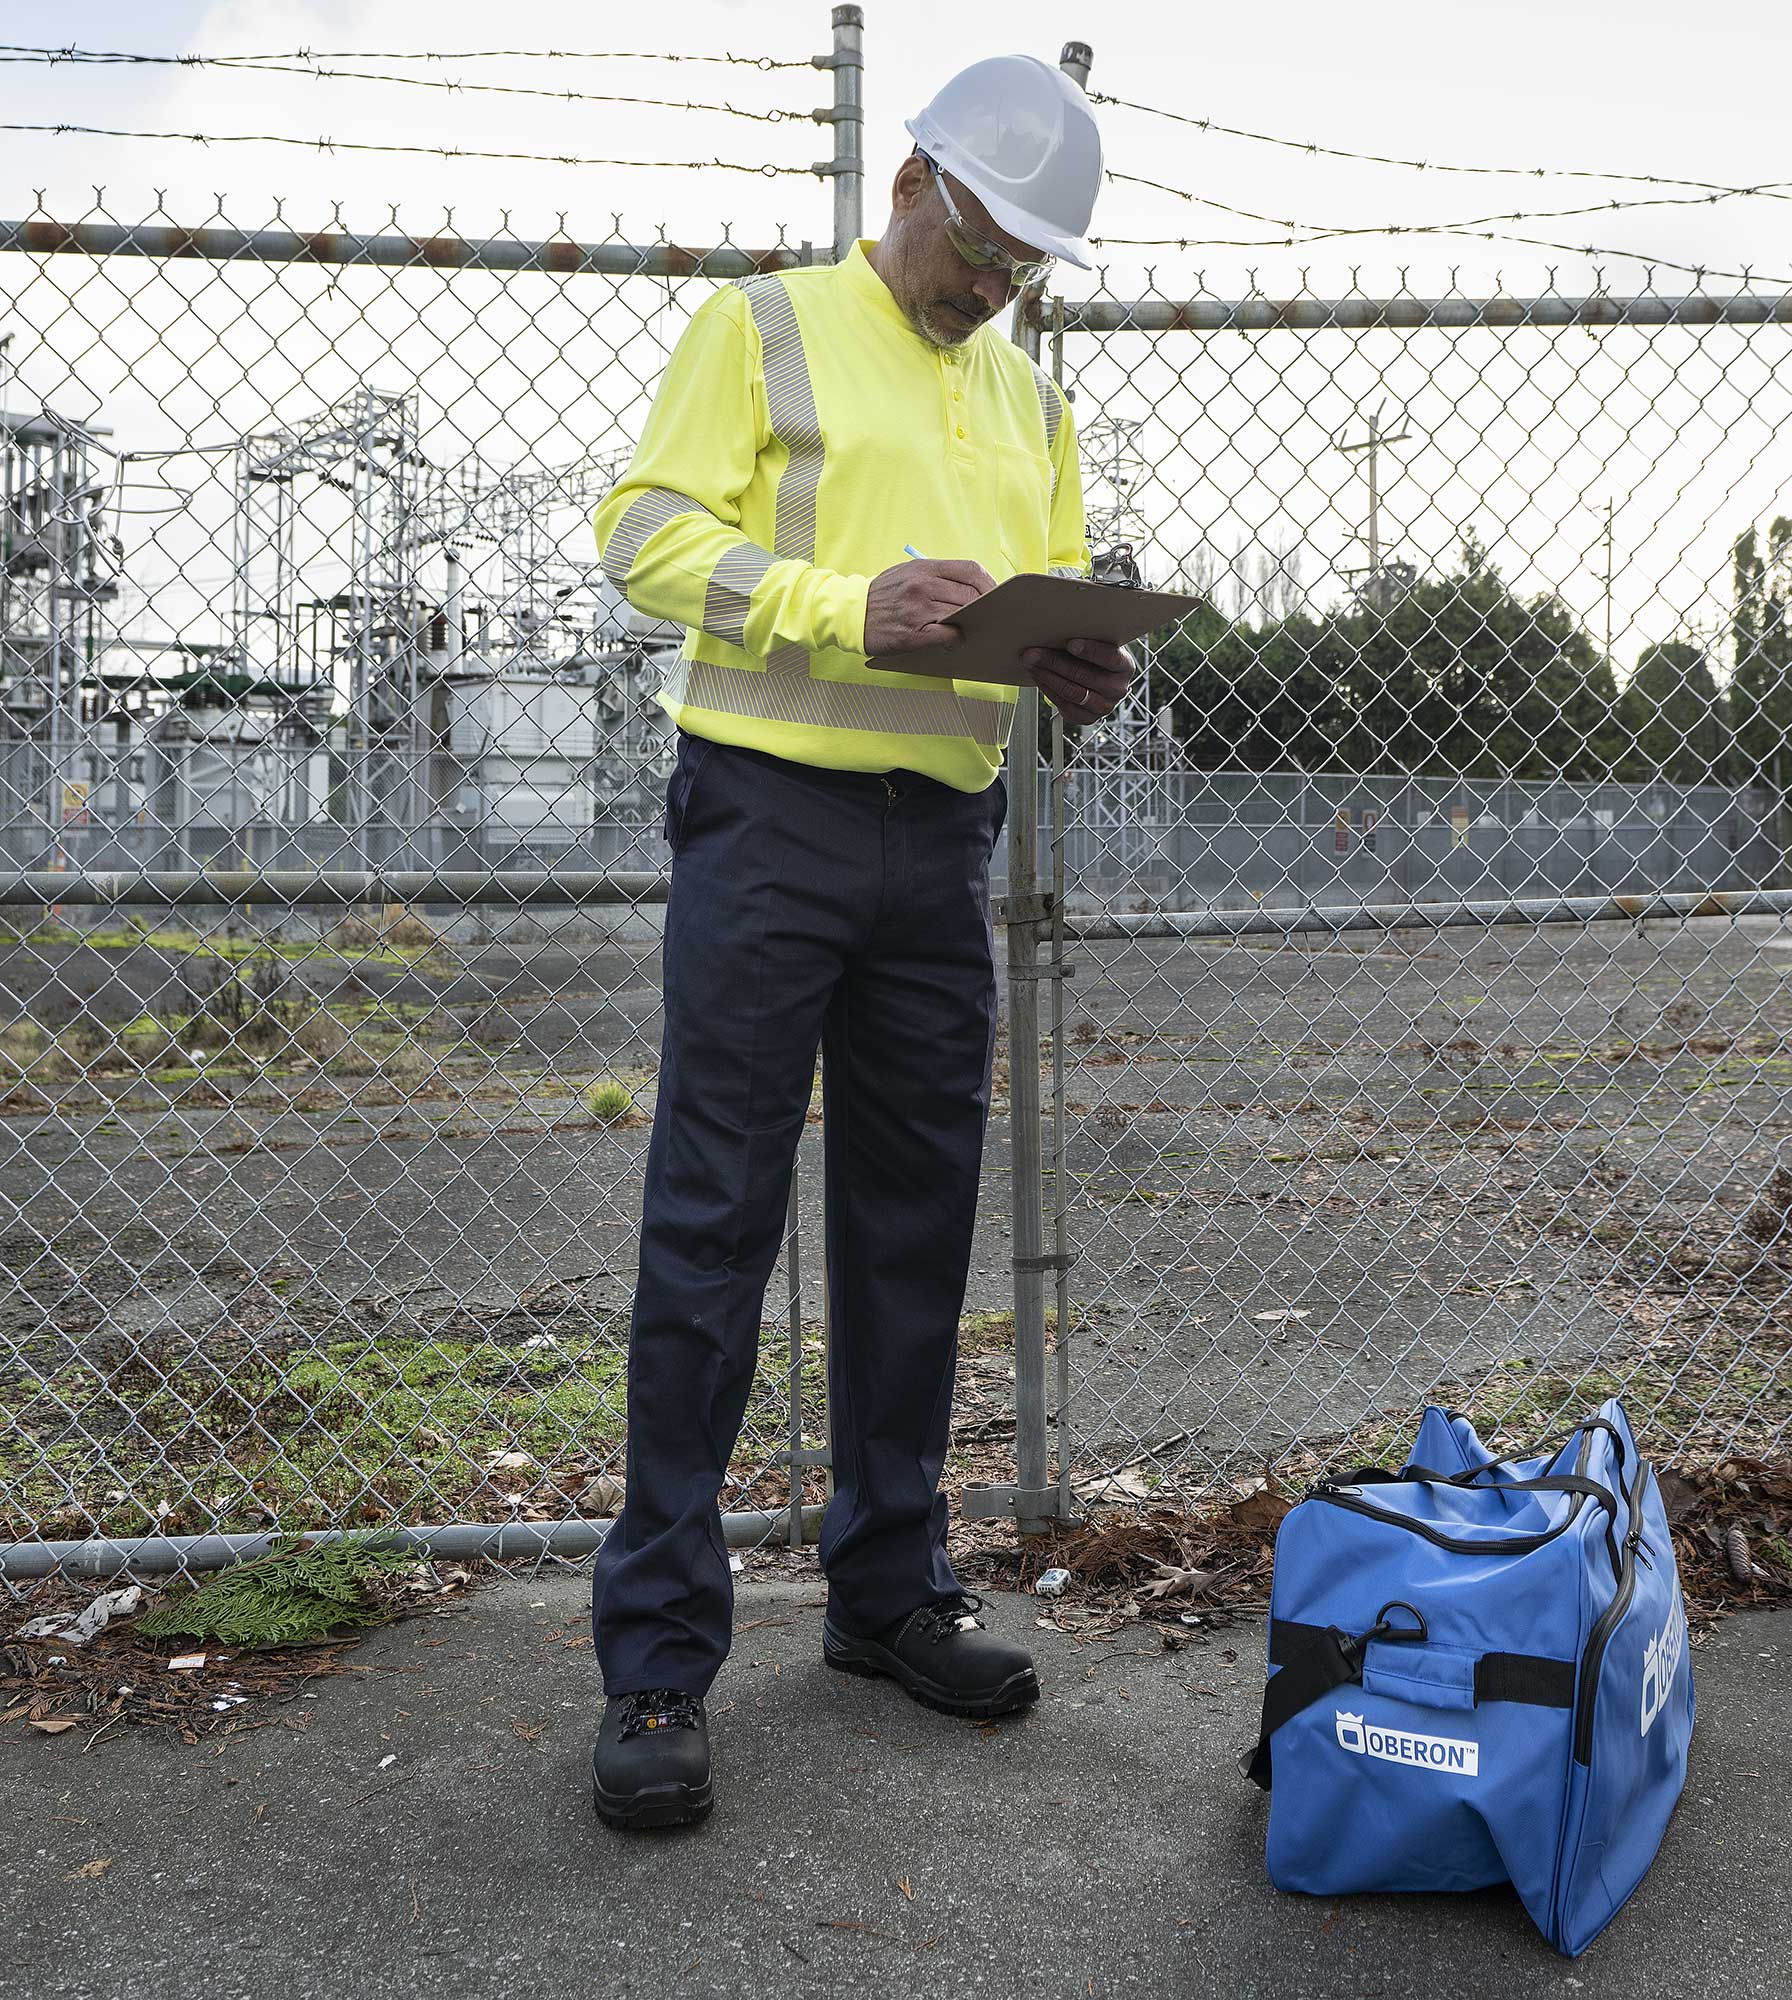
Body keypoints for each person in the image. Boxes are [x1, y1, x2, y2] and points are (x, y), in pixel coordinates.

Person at [586, 53, 1132, 1830]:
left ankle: (891, 1590)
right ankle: (658, 1658)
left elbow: (1036, 586)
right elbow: (643, 534)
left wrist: (1075, 664)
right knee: (714, 1221)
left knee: (913, 1228)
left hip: (941, 840)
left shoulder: (1030, 402)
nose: (993, 288)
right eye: (980, 248)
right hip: (770, 820)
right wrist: (842, 605)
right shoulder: (765, 328)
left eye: (1024, 269)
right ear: (910, 186)